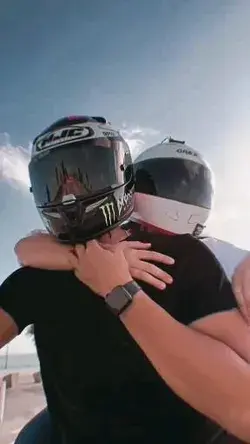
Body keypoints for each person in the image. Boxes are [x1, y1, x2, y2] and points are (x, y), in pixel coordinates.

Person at [1, 122, 250, 444]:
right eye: (55, 181)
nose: (70, 192)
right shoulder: (38, 274)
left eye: (85, 171)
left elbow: (243, 409)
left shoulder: (183, 257)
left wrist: (120, 292)